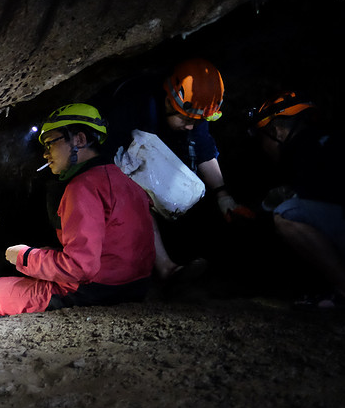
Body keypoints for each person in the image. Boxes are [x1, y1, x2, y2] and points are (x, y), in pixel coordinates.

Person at [0, 104, 154, 316]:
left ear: (79, 140)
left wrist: (25, 257)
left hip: (94, 291)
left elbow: (81, 268)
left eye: (50, 144)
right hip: (136, 286)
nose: (45, 155)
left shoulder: (83, 187)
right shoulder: (125, 180)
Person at [103, 58, 250, 281]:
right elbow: (110, 157)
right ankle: (166, 269)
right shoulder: (135, 104)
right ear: (170, 101)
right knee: (136, 198)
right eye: (186, 119)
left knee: (195, 199)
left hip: (165, 166)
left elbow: (203, 148)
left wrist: (223, 195)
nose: (191, 126)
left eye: (197, 121)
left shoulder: (195, 108)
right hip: (124, 163)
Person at [249, 91, 345, 308]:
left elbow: (301, 205)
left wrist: (261, 210)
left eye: (261, 138)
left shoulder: (302, 150)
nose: (261, 148)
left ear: (275, 130)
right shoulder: (330, 142)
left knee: (287, 216)